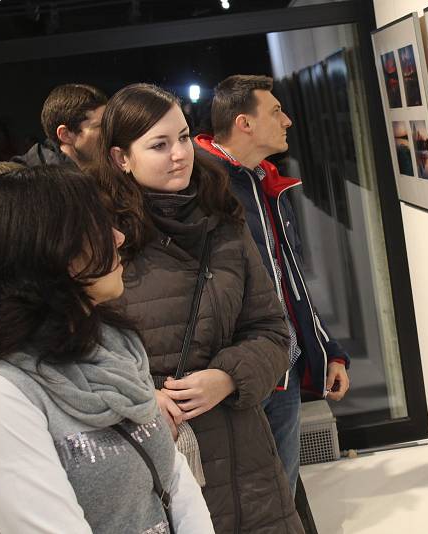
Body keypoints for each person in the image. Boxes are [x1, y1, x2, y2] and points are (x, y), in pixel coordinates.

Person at [95, 83, 303, 534]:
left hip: (244, 453)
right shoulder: (95, 239)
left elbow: (271, 330)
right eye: (159, 144)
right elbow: (75, 349)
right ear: (120, 158)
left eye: (185, 137)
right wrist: (140, 398)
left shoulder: (224, 217)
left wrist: (228, 376)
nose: (179, 154)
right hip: (153, 454)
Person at [0, 166, 214, 533]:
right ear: (52, 250)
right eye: (97, 228)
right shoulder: (1, 394)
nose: (119, 237)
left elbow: (173, 480)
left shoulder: (115, 348)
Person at [195, 74, 351, 496]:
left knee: (282, 492)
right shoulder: (200, 186)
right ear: (244, 123)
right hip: (232, 376)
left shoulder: (264, 182)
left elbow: (290, 280)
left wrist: (328, 349)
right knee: (239, 499)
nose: (288, 121)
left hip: (283, 365)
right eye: (276, 111)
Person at [12, 83, 106, 168]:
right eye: (100, 127)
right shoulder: (27, 184)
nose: (110, 132)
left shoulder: (107, 169)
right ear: (65, 135)